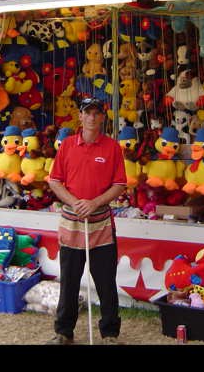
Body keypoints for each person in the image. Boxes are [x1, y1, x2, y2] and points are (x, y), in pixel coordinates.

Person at [47, 97, 127, 345]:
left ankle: (110, 334)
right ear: (80, 116)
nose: (92, 117)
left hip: (101, 223)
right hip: (71, 222)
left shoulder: (113, 147)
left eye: (96, 113)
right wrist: (74, 202)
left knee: (106, 282)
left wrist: (94, 203)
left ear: (102, 117)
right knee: (69, 279)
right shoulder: (68, 145)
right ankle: (63, 332)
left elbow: (120, 184)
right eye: (87, 113)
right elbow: (54, 181)